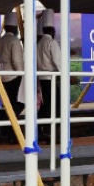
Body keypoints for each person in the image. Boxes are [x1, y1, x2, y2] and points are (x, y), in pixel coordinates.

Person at [0, 10, 24, 138]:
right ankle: (9, 129)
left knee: (8, 103)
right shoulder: (14, 41)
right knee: (17, 103)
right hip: (14, 76)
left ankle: (7, 129)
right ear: (15, 27)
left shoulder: (0, 41)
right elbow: (16, 60)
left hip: (2, 76)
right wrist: (22, 73)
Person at [36, 9, 63, 141]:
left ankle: (41, 130)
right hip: (51, 78)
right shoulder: (52, 43)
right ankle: (50, 133)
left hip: (42, 78)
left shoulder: (39, 43)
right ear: (52, 31)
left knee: (46, 105)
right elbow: (58, 62)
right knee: (55, 105)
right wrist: (67, 76)